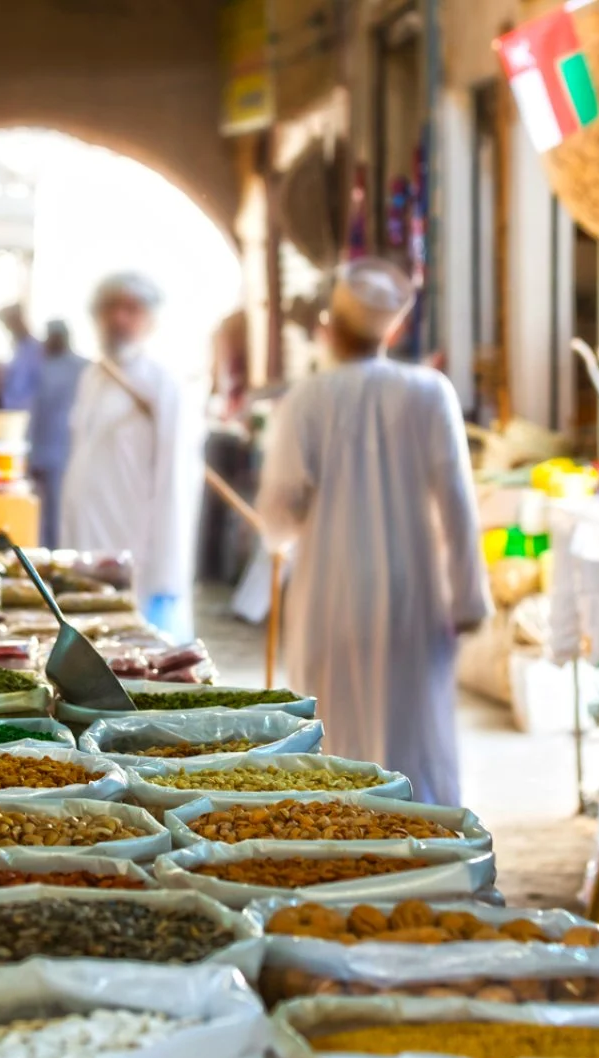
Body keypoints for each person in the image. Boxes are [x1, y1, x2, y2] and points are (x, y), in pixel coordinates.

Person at [256, 258, 489, 805]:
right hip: (415, 597)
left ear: (329, 328)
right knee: (415, 735)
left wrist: (278, 533)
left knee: (336, 736)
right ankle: (427, 855)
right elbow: (457, 503)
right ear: (396, 330)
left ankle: (340, 858)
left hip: (330, 596)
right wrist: (468, 601)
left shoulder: (307, 399)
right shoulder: (430, 393)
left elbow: (280, 509)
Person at [61, 271, 203, 640]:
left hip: (138, 550)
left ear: (150, 320)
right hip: (87, 542)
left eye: (131, 309)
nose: (119, 319)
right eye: (110, 308)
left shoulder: (163, 384)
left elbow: (175, 481)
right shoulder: (92, 377)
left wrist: (166, 572)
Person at [28, 319, 88, 547]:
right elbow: (36, 413)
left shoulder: (85, 368)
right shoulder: (43, 367)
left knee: (68, 511)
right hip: (46, 451)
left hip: (72, 451)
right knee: (47, 512)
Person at [0, 303, 44, 411]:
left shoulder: (37, 350)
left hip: (28, 414)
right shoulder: (15, 350)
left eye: (11, 322)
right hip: (11, 414)